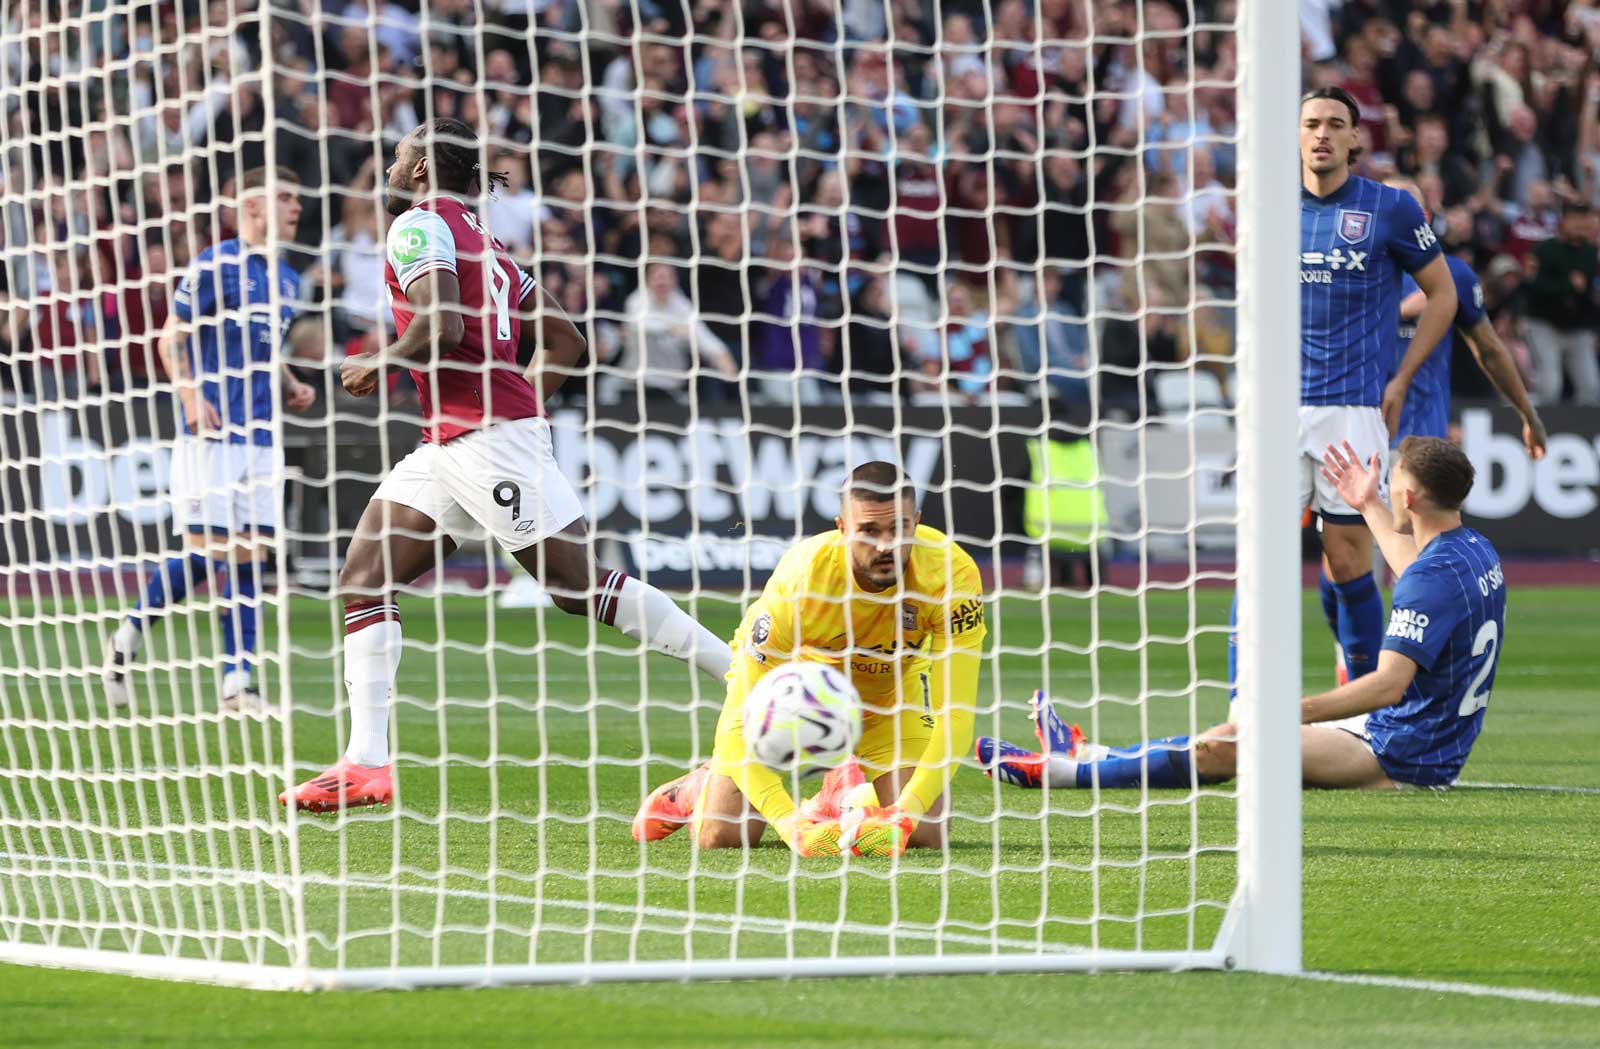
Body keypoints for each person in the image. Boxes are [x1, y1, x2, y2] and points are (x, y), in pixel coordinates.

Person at [279, 119, 731, 812]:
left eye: (401, 156)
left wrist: (381, 360)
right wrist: (521, 403)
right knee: (364, 576)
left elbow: (442, 327)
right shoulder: (487, 245)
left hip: (487, 441)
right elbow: (566, 338)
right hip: (456, 440)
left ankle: (744, 676)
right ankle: (366, 762)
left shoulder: (417, 226)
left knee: (579, 586)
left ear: (426, 167)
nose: (392, 166)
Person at [979, 436, 1506, 793]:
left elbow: (1389, 685)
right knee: (1234, 731)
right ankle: (1088, 751)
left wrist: (1294, 710)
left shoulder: (1429, 578)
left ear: (1409, 496)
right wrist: (1368, 503)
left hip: (1404, 752)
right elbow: (1411, 564)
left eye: (1391, 480)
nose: (1387, 483)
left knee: (1229, 746)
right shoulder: (1473, 551)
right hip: (1423, 735)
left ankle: (1056, 773)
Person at [630, 462, 986, 858]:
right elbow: (737, 718)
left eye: (899, 529)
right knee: (723, 836)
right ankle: (700, 786)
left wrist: (905, 813)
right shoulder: (801, 581)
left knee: (928, 831)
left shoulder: (952, 575)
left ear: (916, 522)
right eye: (869, 531)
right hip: (791, 699)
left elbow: (955, 713)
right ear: (843, 527)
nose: (886, 545)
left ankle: (838, 793)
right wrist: (791, 826)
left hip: (889, 696)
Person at [102, 166, 317, 711]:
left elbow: (268, 349)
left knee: (251, 556)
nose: (296, 207)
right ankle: (126, 637)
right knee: (208, 553)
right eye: (284, 197)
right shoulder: (215, 264)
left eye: (296, 197)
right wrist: (191, 396)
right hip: (213, 435)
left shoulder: (288, 279)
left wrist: (291, 382)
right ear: (250, 206)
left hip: (263, 435)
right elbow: (170, 336)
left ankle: (236, 683)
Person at [1296, 87, 1457, 685]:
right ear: (1295, 134)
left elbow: (1444, 295)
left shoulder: (1388, 208)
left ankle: (1363, 701)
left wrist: (1402, 378)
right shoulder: (1266, 206)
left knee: (1346, 560)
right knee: (1259, 566)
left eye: (1335, 124)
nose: (1322, 134)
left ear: (1355, 139)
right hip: (1277, 410)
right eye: (1311, 123)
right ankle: (1244, 704)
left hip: (1351, 408)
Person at [1383, 178, 1547, 459]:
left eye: (1402, 208)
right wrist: (1397, 311)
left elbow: (1490, 350)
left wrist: (1528, 414)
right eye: (1383, 208)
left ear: (1424, 218)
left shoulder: (1453, 274)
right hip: (1352, 440)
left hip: (1420, 445)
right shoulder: (1346, 269)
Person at [1522, 201, 1600, 405]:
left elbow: (1588, 291)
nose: (1582, 225)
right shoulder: (1545, 249)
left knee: (1590, 387)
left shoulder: (1590, 252)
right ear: (1564, 221)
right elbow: (1533, 286)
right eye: (1577, 219)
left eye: (1585, 219)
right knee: (1550, 385)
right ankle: (1540, 433)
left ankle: (1586, 432)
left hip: (1577, 327)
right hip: (1544, 323)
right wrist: (1568, 284)